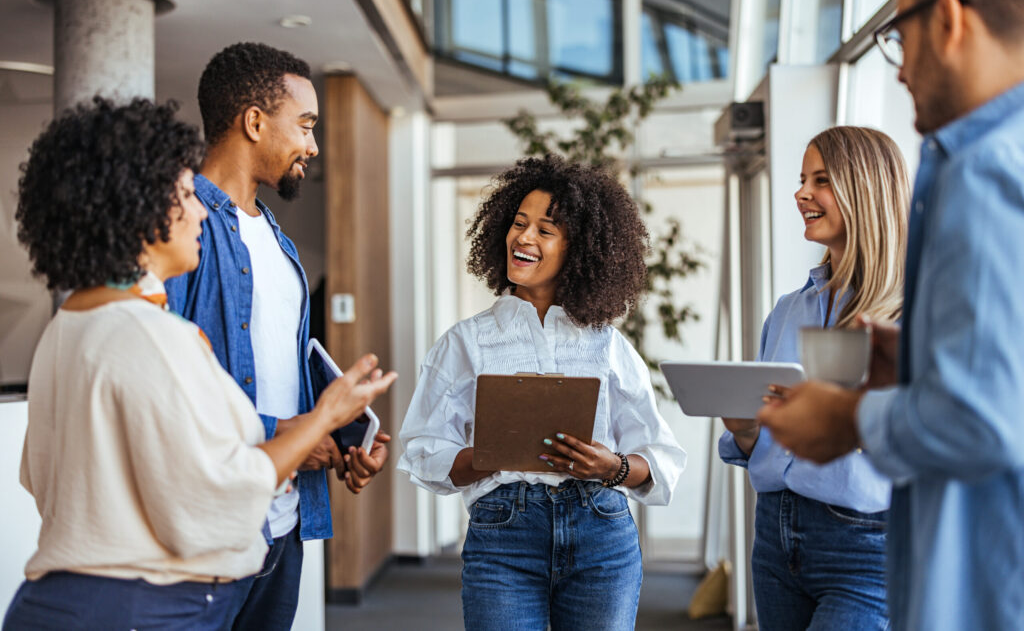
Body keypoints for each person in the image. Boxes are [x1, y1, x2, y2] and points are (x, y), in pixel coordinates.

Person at [2, 98, 395, 630]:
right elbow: (222, 492)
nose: (203, 212)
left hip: (52, 604)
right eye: (186, 195)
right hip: (142, 609)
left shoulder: (65, 329)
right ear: (139, 209)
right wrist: (325, 416)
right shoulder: (154, 336)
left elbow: (39, 475)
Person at [757, 0, 1024, 628]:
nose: (900, 69)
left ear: (948, 20)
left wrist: (849, 419)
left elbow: (987, 420)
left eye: (897, 38)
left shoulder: (985, 170)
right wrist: (915, 366)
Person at [398, 156, 687, 631]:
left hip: (601, 531)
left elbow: (660, 458)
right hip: (503, 535)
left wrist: (609, 466)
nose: (523, 238)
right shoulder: (466, 341)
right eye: (518, 224)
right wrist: (487, 456)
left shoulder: (608, 344)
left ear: (580, 249)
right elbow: (423, 449)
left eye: (545, 230)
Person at [165, 42, 391, 629]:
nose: (313, 145)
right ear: (254, 121)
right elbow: (167, 392)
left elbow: (281, 363)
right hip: (213, 531)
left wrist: (341, 437)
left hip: (284, 523)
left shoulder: (279, 241)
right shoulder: (180, 230)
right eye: (306, 125)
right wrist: (290, 434)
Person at [719, 126, 910, 630]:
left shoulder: (909, 316)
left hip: (865, 545)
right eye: (803, 179)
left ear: (864, 190)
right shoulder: (787, 311)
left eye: (820, 180)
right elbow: (771, 438)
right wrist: (745, 430)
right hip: (776, 537)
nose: (801, 193)